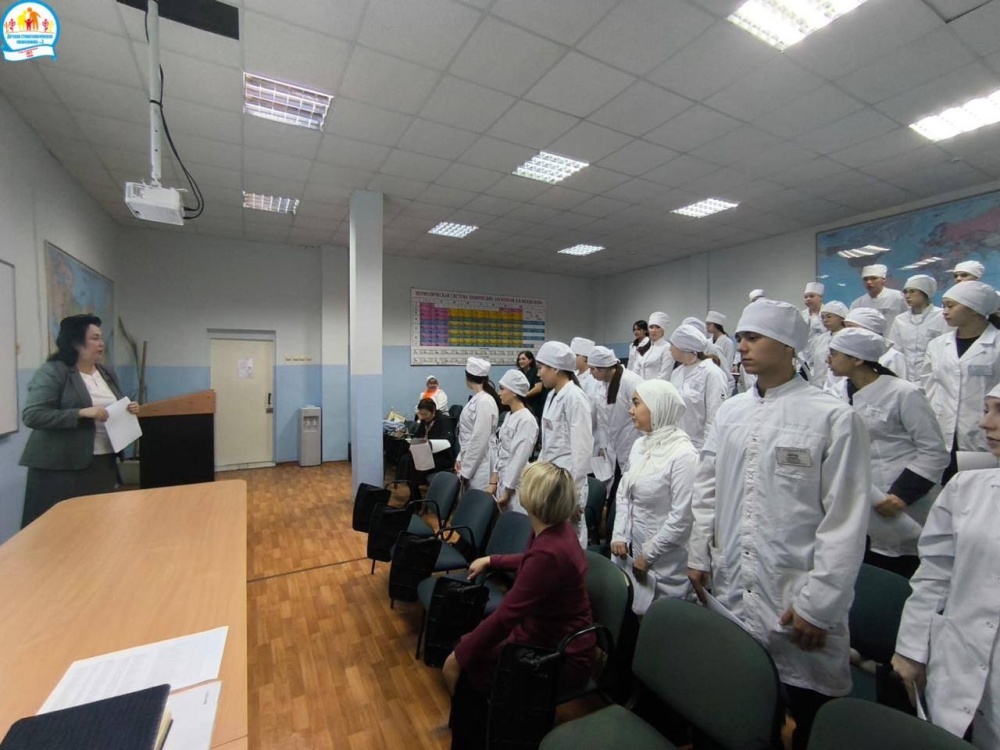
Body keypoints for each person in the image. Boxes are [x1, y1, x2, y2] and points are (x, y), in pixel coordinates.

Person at [687, 299, 871, 750]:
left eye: (753, 338)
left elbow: (845, 521)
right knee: (740, 702)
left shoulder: (832, 417)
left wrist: (820, 605)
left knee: (808, 714)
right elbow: (707, 488)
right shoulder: (731, 412)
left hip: (795, 593)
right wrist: (698, 554)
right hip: (731, 580)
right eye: (740, 338)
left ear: (788, 346)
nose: (742, 347)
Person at [443, 462, 595, 750]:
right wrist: (493, 560)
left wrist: (457, 657)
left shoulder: (550, 550)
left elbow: (506, 617)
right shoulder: (556, 530)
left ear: (535, 498)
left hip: (559, 655)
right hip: (546, 636)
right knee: (473, 652)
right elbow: (531, 560)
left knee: (471, 667)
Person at [891, 383, 1000, 748]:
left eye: (999, 411)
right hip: (956, 662)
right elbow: (934, 574)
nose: (985, 423)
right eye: (985, 409)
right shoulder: (966, 488)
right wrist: (910, 650)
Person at [827, 328, 948, 578]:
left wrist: (901, 495)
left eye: (835, 353)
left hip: (905, 499)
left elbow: (933, 450)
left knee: (905, 568)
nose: (829, 359)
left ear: (857, 359)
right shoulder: (835, 394)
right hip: (862, 499)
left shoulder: (903, 392)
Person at [19, 314, 140, 528]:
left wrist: (128, 408)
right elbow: (33, 415)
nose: (101, 344)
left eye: (101, 338)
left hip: (103, 461)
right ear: (75, 342)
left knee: (99, 524)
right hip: (62, 467)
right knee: (64, 527)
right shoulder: (54, 372)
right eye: (94, 338)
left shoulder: (105, 372)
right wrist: (80, 413)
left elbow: (112, 406)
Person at [610, 380, 696, 613]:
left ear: (658, 407)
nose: (631, 410)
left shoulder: (684, 455)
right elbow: (624, 491)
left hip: (666, 561)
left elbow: (682, 518)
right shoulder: (641, 444)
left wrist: (648, 555)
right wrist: (619, 534)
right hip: (634, 549)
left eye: (636, 403)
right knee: (635, 612)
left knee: (663, 618)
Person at [923, 280, 1000, 483]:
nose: (945, 311)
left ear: (974, 309)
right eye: (944, 305)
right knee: (948, 489)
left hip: (986, 434)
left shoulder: (997, 345)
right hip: (943, 432)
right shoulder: (937, 345)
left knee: (983, 489)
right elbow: (929, 389)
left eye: (951, 306)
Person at [536, 341, 594, 547]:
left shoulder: (575, 398)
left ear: (556, 368)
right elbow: (548, 443)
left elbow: (582, 450)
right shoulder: (552, 395)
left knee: (571, 541)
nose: (538, 374)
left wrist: (573, 497)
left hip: (569, 481)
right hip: (553, 478)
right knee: (553, 539)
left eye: (541, 368)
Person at [668, 323, 729, 451]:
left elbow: (714, 417)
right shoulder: (676, 373)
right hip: (677, 444)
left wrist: (707, 452)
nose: (670, 349)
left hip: (699, 447)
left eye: (672, 344)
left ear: (683, 347)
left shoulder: (712, 373)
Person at [488, 370, 539, 515]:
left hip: (516, 484)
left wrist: (507, 491)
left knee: (516, 518)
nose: (499, 393)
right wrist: (494, 481)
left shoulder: (527, 420)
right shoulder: (509, 416)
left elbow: (519, 459)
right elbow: (500, 451)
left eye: (502, 389)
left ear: (515, 392)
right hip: (503, 479)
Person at [887, 274, 947, 387]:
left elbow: (946, 351)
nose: (907, 296)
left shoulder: (941, 316)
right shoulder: (900, 320)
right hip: (905, 378)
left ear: (925, 293)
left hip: (935, 378)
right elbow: (895, 351)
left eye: (912, 291)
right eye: (905, 292)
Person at [454, 357, 500, 491]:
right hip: (471, 457)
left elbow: (479, 439)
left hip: (481, 460)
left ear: (467, 377)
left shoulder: (485, 401)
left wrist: (466, 471)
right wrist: (460, 457)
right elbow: (466, 435)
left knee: (478, 497)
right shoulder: (477, 399)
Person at [397, 398, 455, 501]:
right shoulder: (424, 421)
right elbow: (418, 436)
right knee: (405, 458)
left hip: (441, 456)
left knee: (413, 463)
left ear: (433, 411)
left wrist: (429, 444)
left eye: (425, 414)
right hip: (425, 453)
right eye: (421, 414)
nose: (423, 417)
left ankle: (415, 497)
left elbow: (448, 441)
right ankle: (413, 491)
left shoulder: (444, 421)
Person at [843, 308, 908, 381]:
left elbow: (900, 386)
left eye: (850, 327)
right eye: (845, 327)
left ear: (868, 330)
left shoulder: (893, 357)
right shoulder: (850, 354)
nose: (845, 332)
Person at [850, 263, 908, 330]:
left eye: (874, 278)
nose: (869, 282)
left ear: (884, 280)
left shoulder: (897, 296)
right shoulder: (857, 304)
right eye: (865, 279)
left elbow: (909, 318)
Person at [807, 300, 849, 388]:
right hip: (818, 386)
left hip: (839, 387)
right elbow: (813, 363)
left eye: (829, 317)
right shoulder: (820, 339)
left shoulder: (848, 338)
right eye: (822, 317)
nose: (825, 320)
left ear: (842, 318)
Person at [637, 311, 673, 381]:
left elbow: (664, 375)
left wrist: (650, 387)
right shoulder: (644, 346)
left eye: (657, 327)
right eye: (651, 327)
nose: (653, 330)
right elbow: (637, 369)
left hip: (657, 387)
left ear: (663, 330)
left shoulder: (667, 347)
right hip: (640, 386)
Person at [801, 282, 826, 372]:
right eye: (806, 297)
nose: (808, 299)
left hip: (824, 353)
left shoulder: (828, 313)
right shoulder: (802, 315)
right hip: (805, 354)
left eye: (811, 296)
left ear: (820, 297)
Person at [517, 350, 546, 421]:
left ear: (530, 360)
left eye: (523, 359)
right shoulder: (519, 373)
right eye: (519, 359)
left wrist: (524, 395)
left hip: (535, 404)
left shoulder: (535, 371)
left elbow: (538, 388)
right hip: (524, 404)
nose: (521, 361)